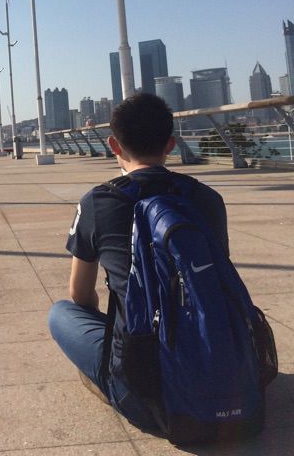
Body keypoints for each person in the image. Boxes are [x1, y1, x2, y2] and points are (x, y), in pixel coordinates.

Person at [48, 93, 229, 432]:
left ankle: (108, 381)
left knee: (60, 312)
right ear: (170, 144)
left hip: (144, 397)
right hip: (221, 373)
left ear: (114, 145)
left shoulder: (98, 201)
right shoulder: (207, 198)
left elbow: (80, 295)